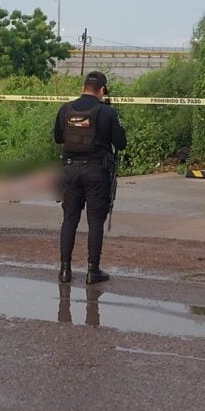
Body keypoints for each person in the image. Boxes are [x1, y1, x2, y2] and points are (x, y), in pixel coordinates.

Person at [53, 71, 127, 285]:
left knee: (69, 220)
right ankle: (92, 271)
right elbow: (121, 143)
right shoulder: (107, 112)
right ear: (102, 90)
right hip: (96, 173)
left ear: (83, 87)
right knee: (95, 222)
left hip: (69, 171)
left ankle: (65, 270)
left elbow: (58, 138)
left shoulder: (66, 109)